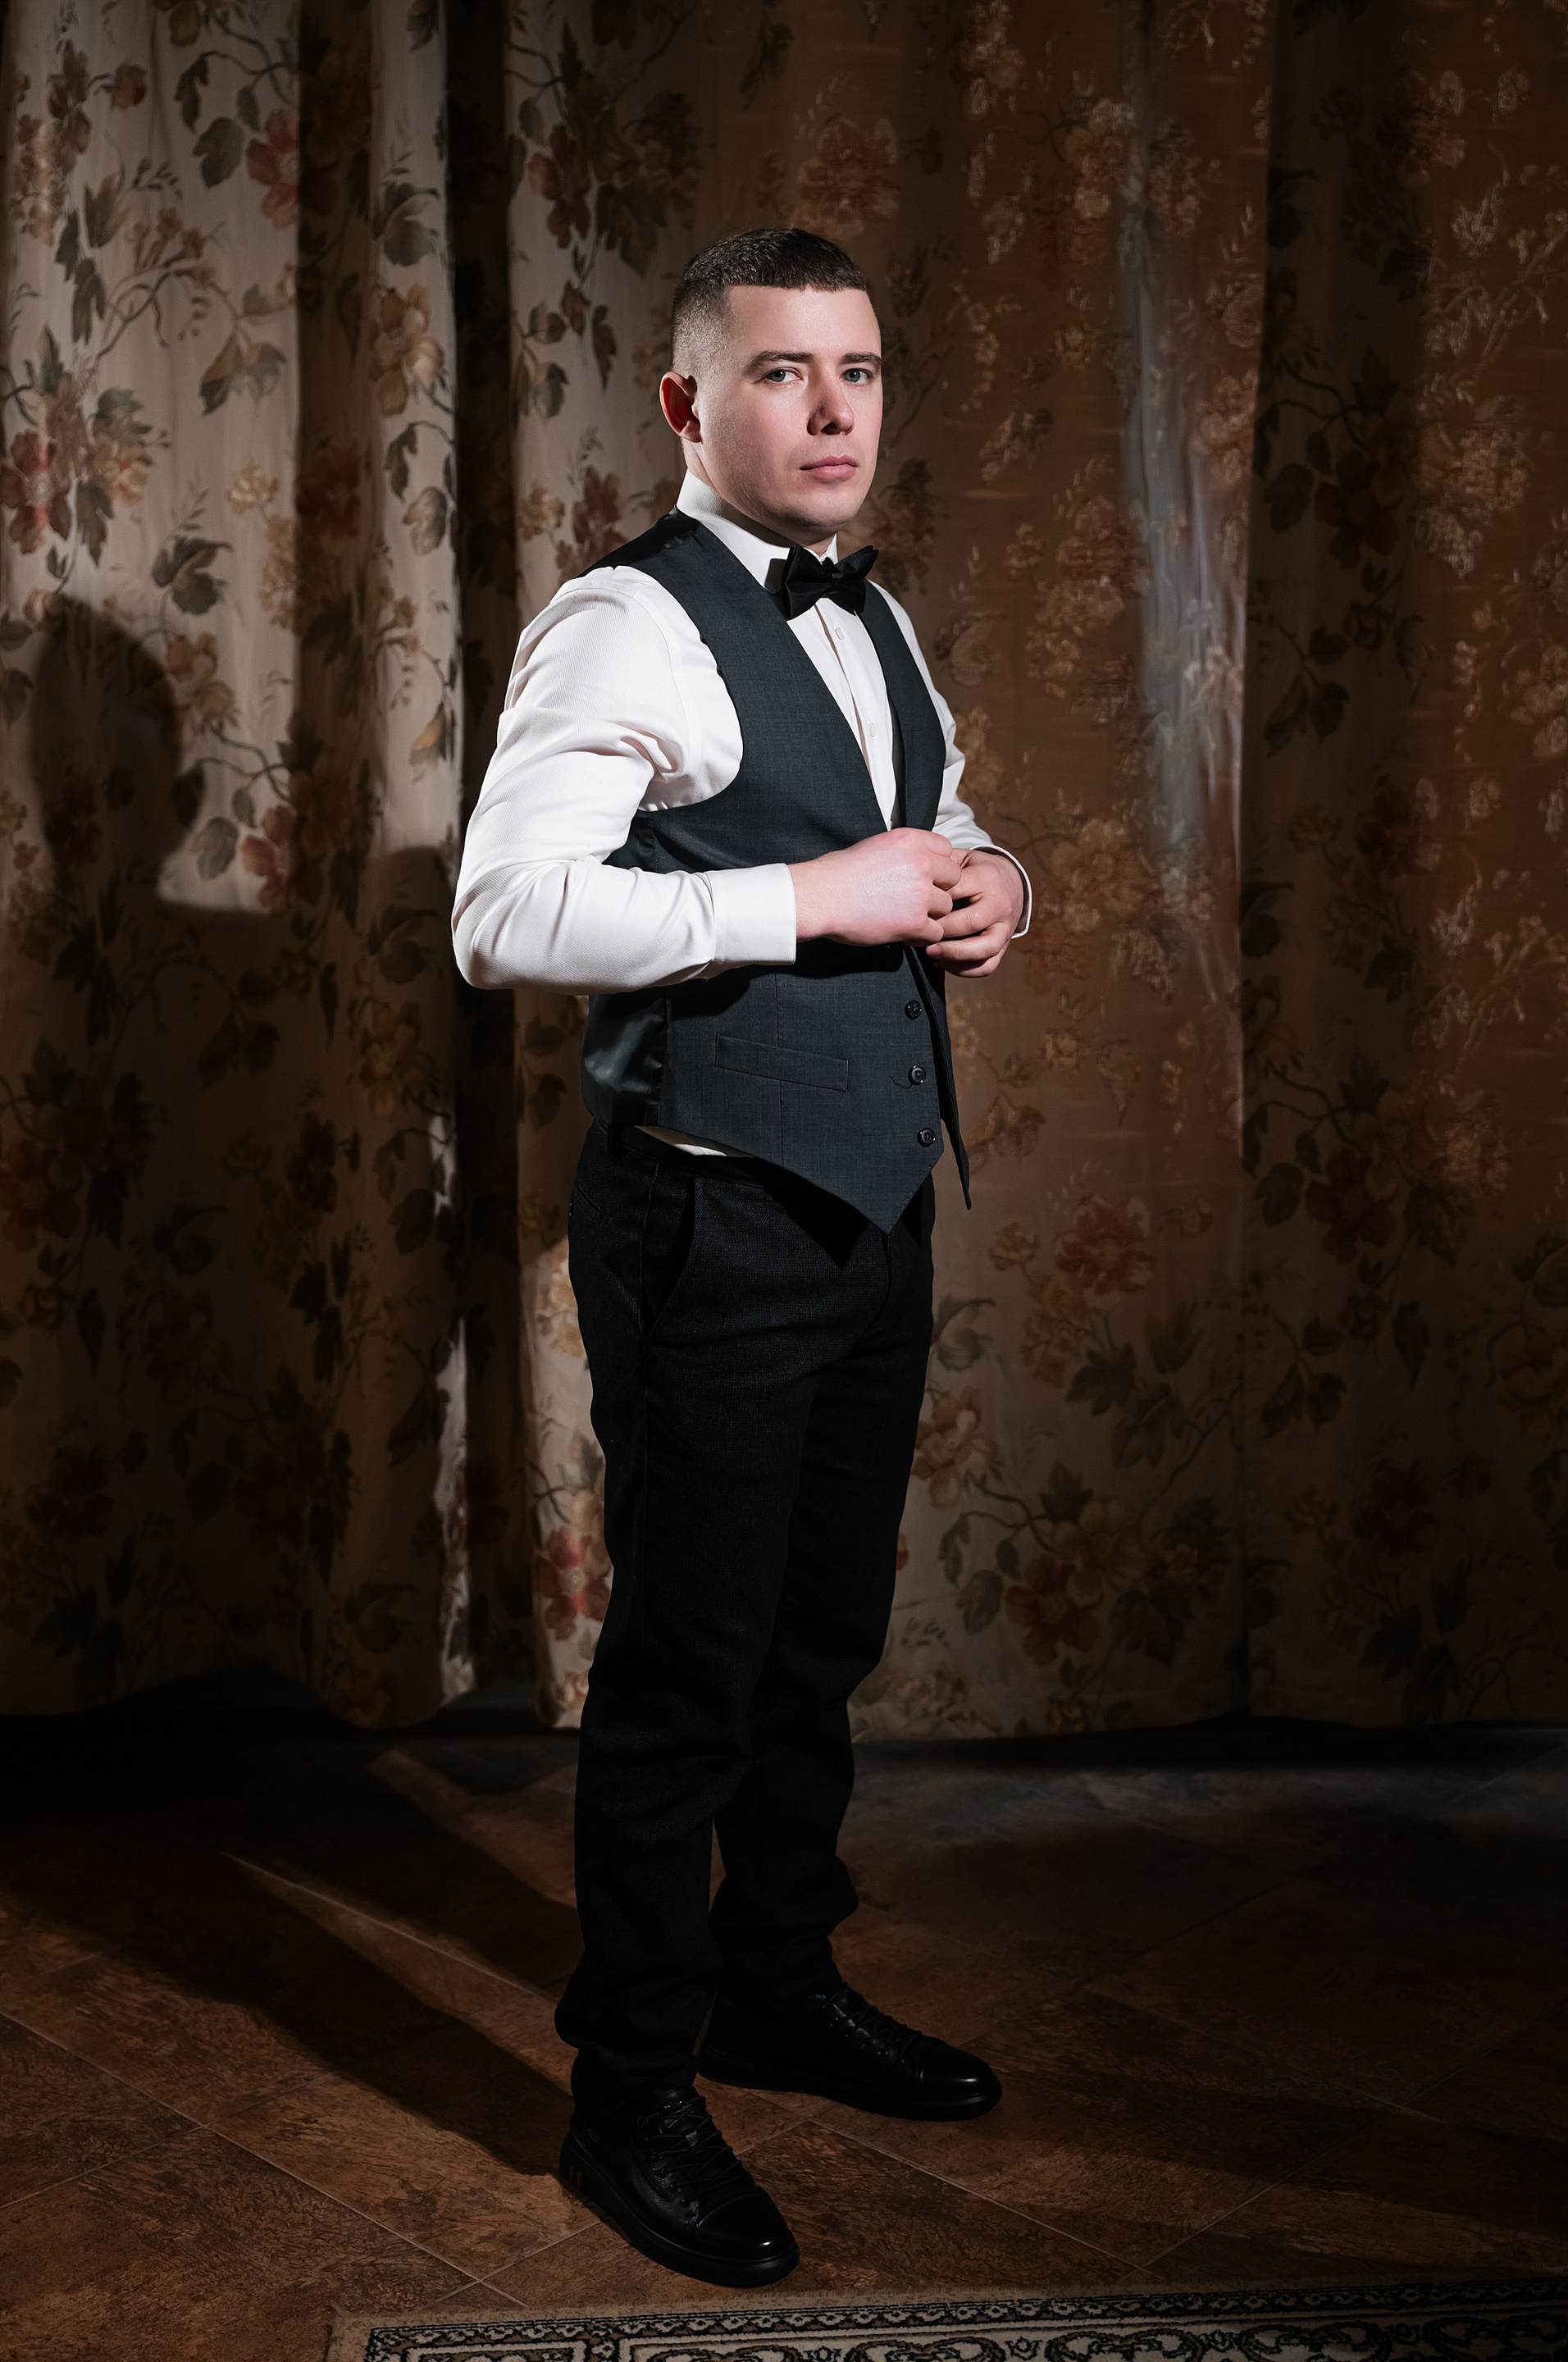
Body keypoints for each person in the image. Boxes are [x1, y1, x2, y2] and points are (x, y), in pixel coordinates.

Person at [453, 226, 1030, 2289]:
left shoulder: (875, 611)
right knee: (689, 1670)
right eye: (783, 373)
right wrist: (806, 901)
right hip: (708, 1215)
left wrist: (998, 888)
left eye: (857, 371)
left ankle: (776, 1984)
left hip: (869, 1207)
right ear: (692, 405)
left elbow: (935, 820)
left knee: (814, 1646)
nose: (833, 410)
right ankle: (630, 2085)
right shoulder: (625, 622)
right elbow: (505, 912)